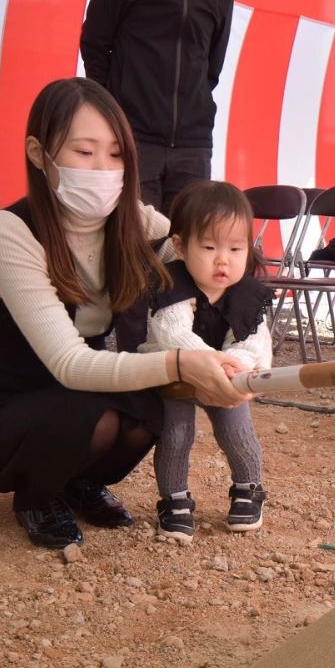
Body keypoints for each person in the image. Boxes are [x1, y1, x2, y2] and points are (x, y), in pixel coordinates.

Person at [0, 78, 251, 549]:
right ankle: (35, 495)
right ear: (38, 152)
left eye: (115, 154)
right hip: (7, 404)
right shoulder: (7, 231)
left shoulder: (131, 218)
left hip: (79, 392)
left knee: (154, 407)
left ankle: (78, 482)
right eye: (84, 152)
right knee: (92, 411)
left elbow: (203, 250)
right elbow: (69, 365)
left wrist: (241, 310)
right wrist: (180, 362)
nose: (104, 169)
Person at [121, 181, 273, 543]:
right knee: (176, 435)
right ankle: (174, 499)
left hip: (228, 379)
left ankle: (248, 488)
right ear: (180, 246)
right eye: (208, 247)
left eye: (236, 248)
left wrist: (229, 367)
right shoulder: (171, 286)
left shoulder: (247, 295)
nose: (223, 259)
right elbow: (174, 335)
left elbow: (255, 344)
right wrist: (211, 363)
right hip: (177, 376)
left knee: (235, 431)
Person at [80, 0, 233, 212]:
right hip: (133, 135)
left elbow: (211, 70)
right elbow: (95, 43)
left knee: (186, 242)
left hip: (193, 145)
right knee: (134, 240)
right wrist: (110, 111)